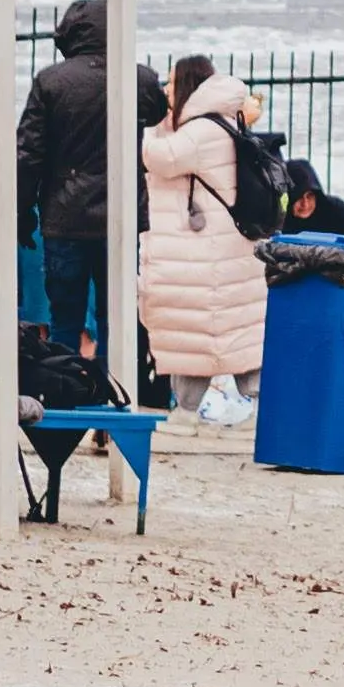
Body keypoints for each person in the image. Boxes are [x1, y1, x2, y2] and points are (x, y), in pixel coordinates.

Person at [132, 55, 269, 421]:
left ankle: (196, 410)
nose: (166, 90)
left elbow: (159, 155)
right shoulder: (215, 122)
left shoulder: (202, 131)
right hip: (217, 251)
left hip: (208, 254)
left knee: (200, 329)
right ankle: (225, 407)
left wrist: (133, 124)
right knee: (214, 330)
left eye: (173, 83)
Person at [17, 0, 116, 381]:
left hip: (64, 215)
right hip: (118, 217)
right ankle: (114, 393)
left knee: (65, 317)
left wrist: (23, 212)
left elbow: (28, 154)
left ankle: (66, 394)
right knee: (115, 315)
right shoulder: (136, 77)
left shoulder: (51, 82)